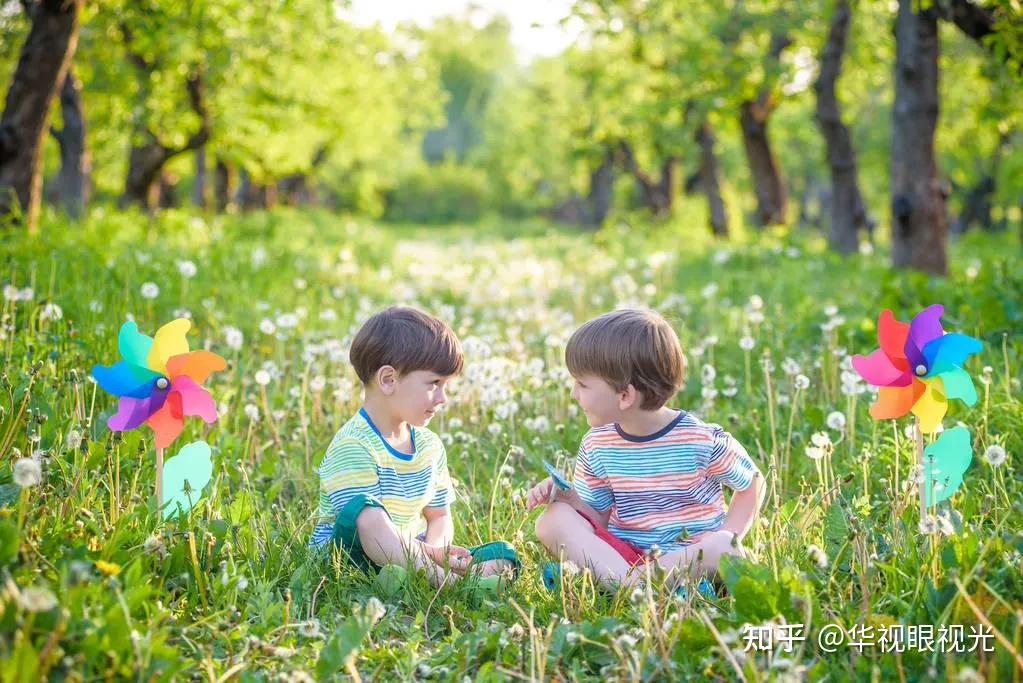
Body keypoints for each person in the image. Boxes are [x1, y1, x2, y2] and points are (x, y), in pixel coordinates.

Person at [527, 309, 764, 591]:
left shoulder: (700, 439)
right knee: (552, 520)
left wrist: (727, 532)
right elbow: (598, 518)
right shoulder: (597, 444)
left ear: (625, 396)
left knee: (725, 546)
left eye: (582, 384)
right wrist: (568, 498)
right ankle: (636, 586)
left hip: (688, 558)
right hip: (626, 558)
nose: (574, 394)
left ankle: (626, 587)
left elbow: (752, 483)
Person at [310, 306, 518, 593]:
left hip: (413, 555)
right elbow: (366, 527)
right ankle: (453, 586)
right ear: (388, 380)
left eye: (446, 385)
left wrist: (436, 551)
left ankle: (437, 576)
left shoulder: (429, 446)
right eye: (434, 383)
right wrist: (429, 560)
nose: (443, 398)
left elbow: (439, 516)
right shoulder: (353, 445)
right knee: (365, 511)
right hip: (352, 561)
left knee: (503, 555)